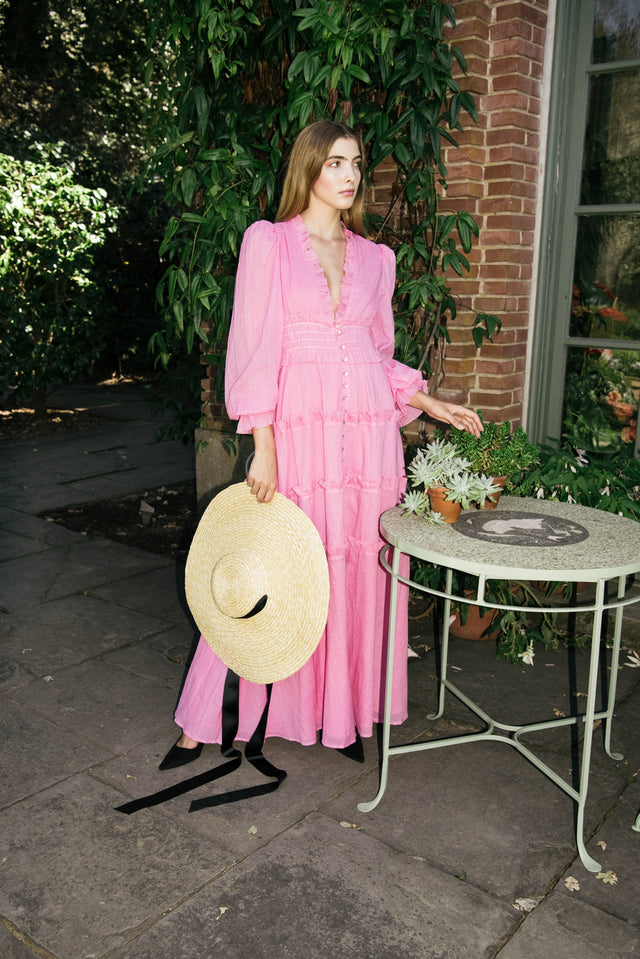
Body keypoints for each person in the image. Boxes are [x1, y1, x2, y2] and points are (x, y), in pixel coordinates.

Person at [161, 119, 482, 769]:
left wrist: (429, 401)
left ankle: (339, 712)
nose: (350, 174)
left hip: (367, 444)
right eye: (335, 162)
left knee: (355, 569)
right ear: (308, 168)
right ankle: (206, 719)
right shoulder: (270, 243)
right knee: (274, 565)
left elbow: (375, 353)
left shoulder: (377, 259)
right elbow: (255, 350)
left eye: (356, 162)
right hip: (299, 436)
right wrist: (264, 445)